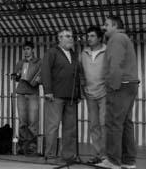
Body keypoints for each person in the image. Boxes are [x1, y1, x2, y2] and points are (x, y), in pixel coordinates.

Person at [96, 16, 139, 169]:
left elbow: (115, 63)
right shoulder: (124, 38)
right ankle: (128, 161)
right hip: (130, 84)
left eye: (106, 24)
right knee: (126, 123)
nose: (103, 27)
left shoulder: (116, 38)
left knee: (114, 122)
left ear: (115, 25)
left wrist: (112, 86)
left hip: (120, 85)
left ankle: (113, 161)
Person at [41, 29, 80, 163]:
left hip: (71, 97)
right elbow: (45, 70)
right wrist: (47, 90)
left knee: (70, 127)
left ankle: (68, 156)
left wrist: (78, 93)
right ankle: (50, 155)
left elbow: (77, 75)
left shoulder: (74, 54)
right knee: (53, 126)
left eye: (71, 36)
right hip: (55, 96)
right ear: (59, 38)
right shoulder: (52, 52)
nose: (71, 39)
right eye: (67, 36)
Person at [79, 26, 107, 164]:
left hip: (105, 93)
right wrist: (83, 85)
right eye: (88, 36)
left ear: (100, 38)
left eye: (92, 36)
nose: (89, 39)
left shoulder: (107, 50)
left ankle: (106, 156)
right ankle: (98, 154)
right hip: (90, 94)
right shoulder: (83, 52)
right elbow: (80, 71)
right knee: (94, 125)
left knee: (104, 124)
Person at [12, 41, 41, 155]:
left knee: (33, 121)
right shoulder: (20, 63)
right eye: (24, 49)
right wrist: (16, 76)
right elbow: (15, 78)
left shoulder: (38, 62)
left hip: (33, 93)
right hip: (21, 93)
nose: (26, 51)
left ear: (33, 50)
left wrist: (38, 80)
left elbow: (41, 75)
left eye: (28, 48)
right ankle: (22, 146)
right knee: (22, 121)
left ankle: (32, 146)